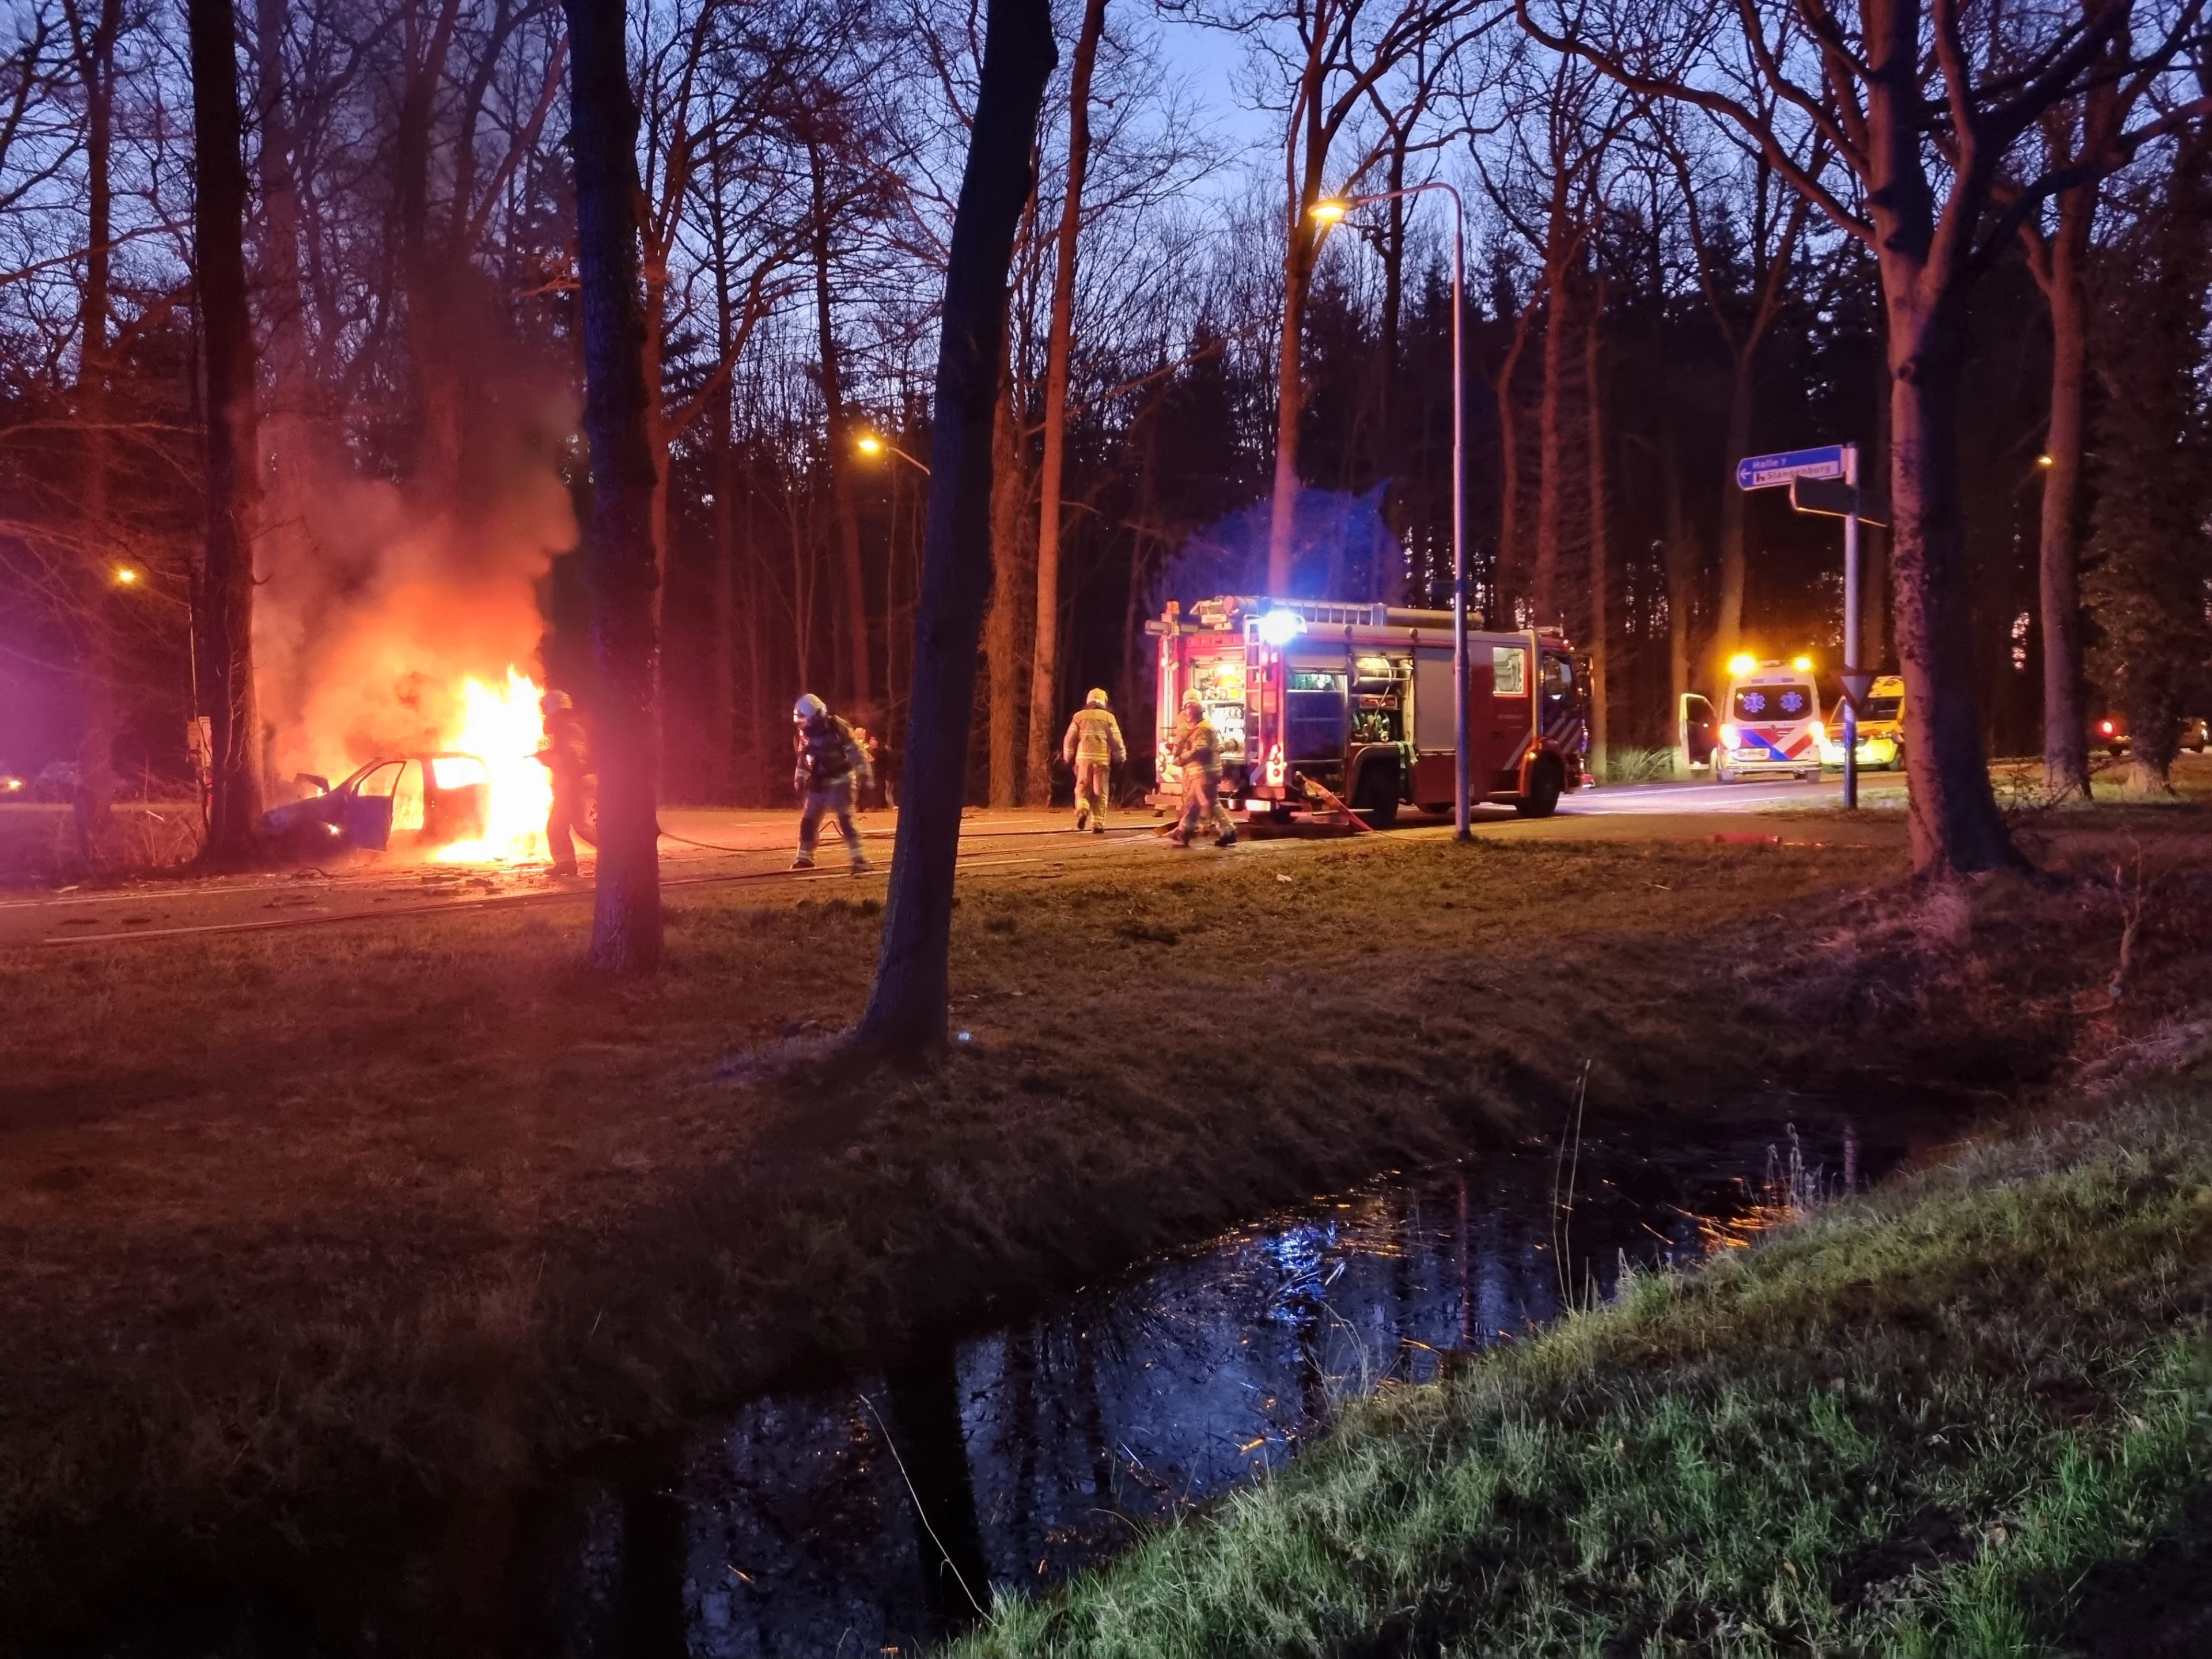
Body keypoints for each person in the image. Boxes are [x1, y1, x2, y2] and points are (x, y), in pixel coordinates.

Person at [791, 692, 872, 873]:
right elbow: (804, 758)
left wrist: (864, 773)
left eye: (805, 720)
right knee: (809, 819)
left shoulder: (838, 727)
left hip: (842, 778)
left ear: (816, 716)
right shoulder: (806, 734)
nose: (803, 725)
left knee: (845, 818)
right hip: (820, 780)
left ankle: (858, 858)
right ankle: (804, 857)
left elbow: (855, 751)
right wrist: (800, 777)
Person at [533, 688, 591, 877]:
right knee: (564, 826)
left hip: (571, 784)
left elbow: (570, 759)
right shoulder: (573, 726)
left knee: (578, 827)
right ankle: (566, 863)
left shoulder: (562, 728)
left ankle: (619, 855)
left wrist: (546, 758)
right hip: (574, 783)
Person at [1169, 690, 1237, 848]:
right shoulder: (1203, 726)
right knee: (1207, 802)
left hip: (1203, 774)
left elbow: (1200, 749)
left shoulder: (1202, 729)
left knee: (1197, 802)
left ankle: (1185, 831)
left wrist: (1181, 759)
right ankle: (1226, 830)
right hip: (1205, 773)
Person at [1060, 687, 1126, 832]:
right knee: (1100, 792)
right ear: (1104, 701)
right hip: (1102, 761)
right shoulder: (1109, 717)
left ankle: (1083, 808)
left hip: (1083, 761)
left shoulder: (1079, 717)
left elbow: (1069, 739)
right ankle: (1097, 824)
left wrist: (1067, 757)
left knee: (1082, 789)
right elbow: (1116, 740)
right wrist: (1120, 758)